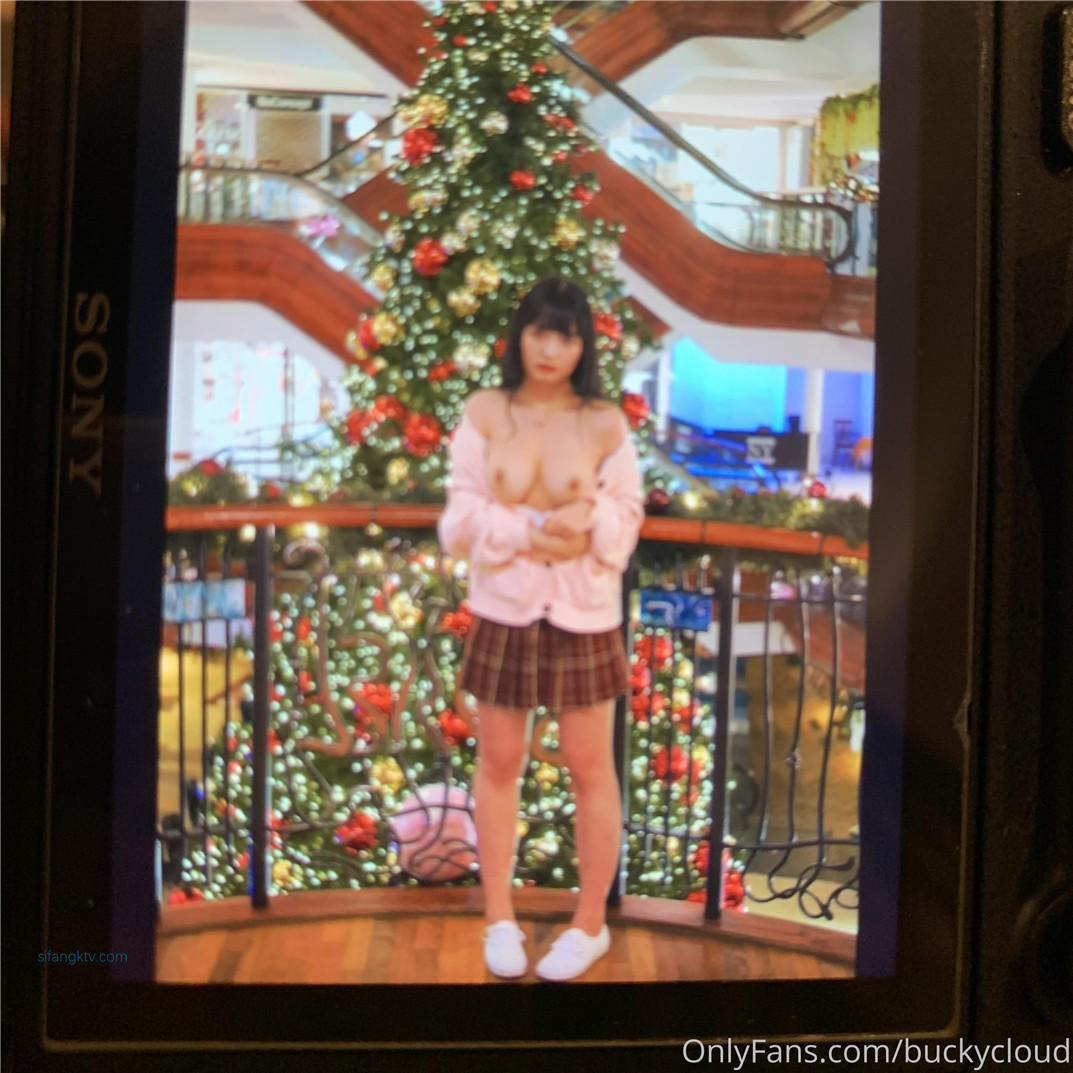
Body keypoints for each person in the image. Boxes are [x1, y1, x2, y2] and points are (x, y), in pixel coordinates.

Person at [437, 277, 645, 982]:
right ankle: (499, 917)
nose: (550, 349)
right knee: (499, 761)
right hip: (504, 610)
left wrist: (591, 518)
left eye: (565, 336)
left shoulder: (605, 423)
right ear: (518, 336)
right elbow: (458, 519)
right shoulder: (485, 412)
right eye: (538, 332)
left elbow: (627, 516)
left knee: (591, 766)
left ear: (582, 346)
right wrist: (528, 531)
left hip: (584, 616)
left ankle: (589, 925)